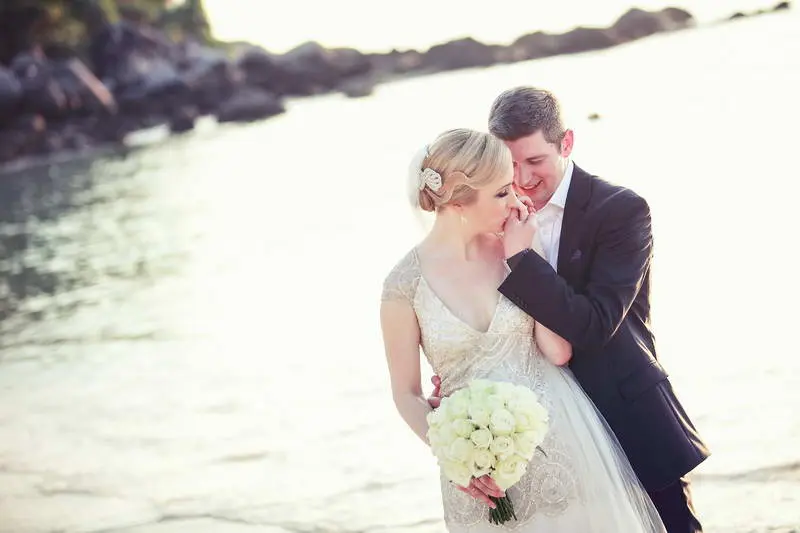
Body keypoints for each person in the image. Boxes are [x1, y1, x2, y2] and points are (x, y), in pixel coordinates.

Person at [429, 87, 710, 533]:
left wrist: (522, 260)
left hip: (626, 417)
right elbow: (481, 319)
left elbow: (596, 326)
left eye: (534, 161)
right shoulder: (485, 222)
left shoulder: (621, 210)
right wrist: (462, 379)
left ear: (567, 143)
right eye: (509, 163)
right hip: (542, 444)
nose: (520, 177)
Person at [380, 128, 667, 532]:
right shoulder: (402, 286)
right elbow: (406, 393)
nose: (518, 201)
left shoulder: (513, 251)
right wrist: (454, 454)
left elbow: (557, 351)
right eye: (501, 193)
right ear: (460, 200)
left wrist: (525, 259)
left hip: (563, 442)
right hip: (479, 475)